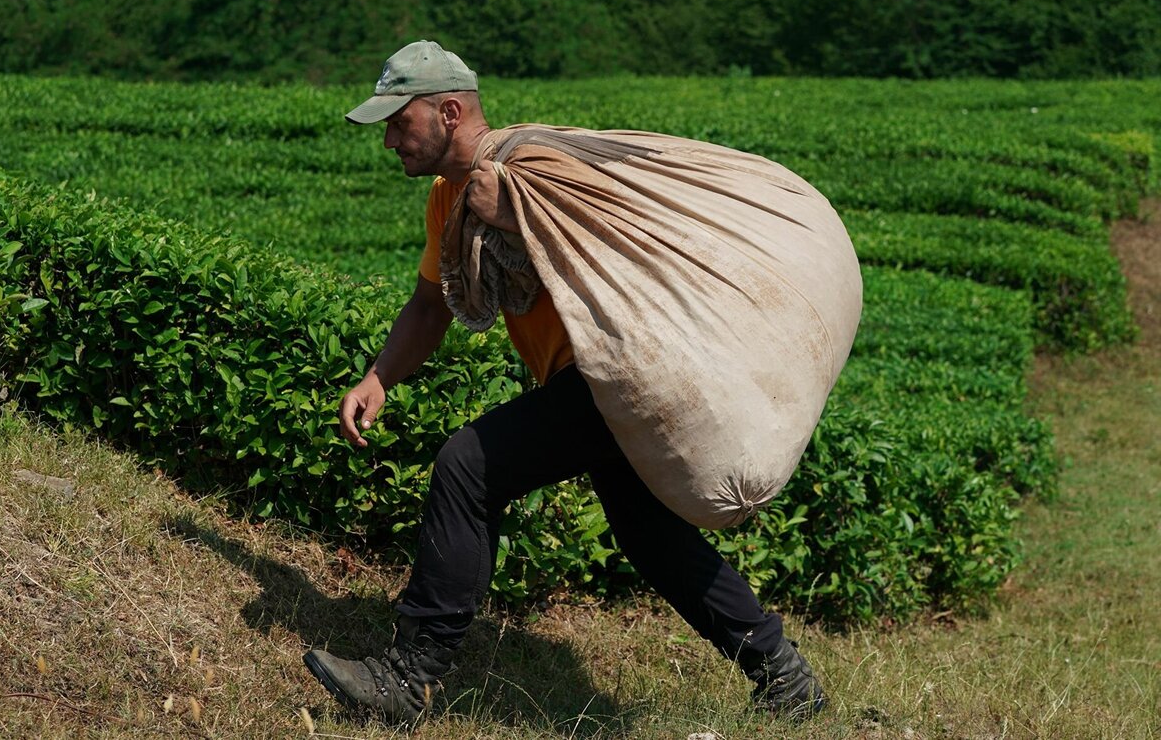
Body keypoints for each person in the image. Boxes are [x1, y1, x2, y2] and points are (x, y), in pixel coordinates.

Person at [302, 40, 826, 727]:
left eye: (401, 123)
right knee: (647, 531)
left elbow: (619, 247)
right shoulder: (448, 198)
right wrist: (378, 376)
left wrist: (519, 211)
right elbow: (431, 304)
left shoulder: (538, 171)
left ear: (450, 112)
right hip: (582, 382)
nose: (391, 140)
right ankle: (785, 677)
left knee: (467, 465)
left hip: (618, 374)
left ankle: (407, 675)